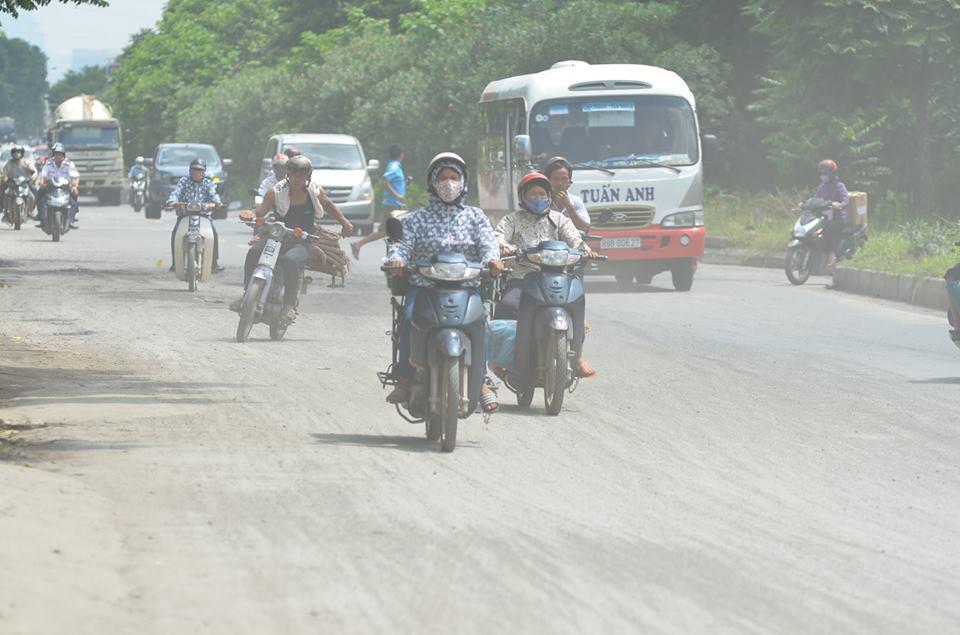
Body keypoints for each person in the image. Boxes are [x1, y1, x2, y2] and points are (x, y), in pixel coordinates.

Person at [383, 152, 503, 411]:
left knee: (479, 322)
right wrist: (396, 260)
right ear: (432, 183)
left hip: (466, 287)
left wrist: (493, 260)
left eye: (454, 177)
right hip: (425, 287)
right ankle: (404, 378)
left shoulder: (476, 217)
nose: (448, 183)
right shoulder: (416, 218)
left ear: (463, 182)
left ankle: (481, 382)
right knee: (410, 318)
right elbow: (401, 245)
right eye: (442, 178)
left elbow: (488, 244)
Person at [493, 172, 597, 378]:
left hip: (557, 277)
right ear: (523, 197)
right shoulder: (512, 219)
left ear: (549, 195)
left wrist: (585, 250)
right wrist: (504, 247)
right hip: (523, 277)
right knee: (507, 305)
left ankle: (576, 358)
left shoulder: (559, 220)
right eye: (533, 194)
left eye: (542, 193)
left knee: (577, 304)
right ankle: (499, 360)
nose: (538, 198)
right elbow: (498, 237)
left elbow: (575, 240)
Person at [234, 155, 354, 321]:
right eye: (294, 174)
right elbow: (260, 212)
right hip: (276, 237)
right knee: (254, 252)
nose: (297, 178)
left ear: (308, 176)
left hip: (301, 241)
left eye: (302, 175)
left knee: (291, 261)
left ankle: (289, 305)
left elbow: (328, 206)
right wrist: (250, 214)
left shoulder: (315, 192)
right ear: (288, 174)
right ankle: (247, 294)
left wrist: (344, 222)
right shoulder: (275, 191)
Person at [166, 158, 223, 272]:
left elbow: (214, 195)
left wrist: (218, 203)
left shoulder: (208, 183)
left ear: (204, 172)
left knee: (214, 234)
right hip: (185, 215)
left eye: (200, 170)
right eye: (195, 170)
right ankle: (175, 263)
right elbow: (176, 193)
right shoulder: (184, 181)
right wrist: (172, 201)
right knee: (175, 233)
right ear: (190, 171)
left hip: (204, 216)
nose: (197, 173)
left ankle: (214, 264)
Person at [351, 143, 405, 259]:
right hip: (392, 205)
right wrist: (397, 196)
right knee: (390, 231)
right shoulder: (395, 167)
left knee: (389, 232)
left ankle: (359, 244)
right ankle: (359, 244)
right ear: (401, 155)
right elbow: (384, 181)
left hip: (394, 204)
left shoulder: (394, 165)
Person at [814, 159, 850, 268]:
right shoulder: (822, 187)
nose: (823, 176)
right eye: (821, 173)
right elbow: (815, 198)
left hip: (837, 218)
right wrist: (805, 203)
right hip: (823, 218)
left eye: (825, 173)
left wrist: (840, 205)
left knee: (828, 232)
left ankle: (832, 255)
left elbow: (846, 200)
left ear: (832, 173)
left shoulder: (839, 186)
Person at [36, 143, 80, 229]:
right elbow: (43, 176)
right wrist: (42, 183)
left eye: (59, 154)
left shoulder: (69, 164)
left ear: (63, 154)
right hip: (50, 187)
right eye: (56, 154)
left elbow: (75, 177)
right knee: (40, 198)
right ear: (53, 154)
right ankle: (41, 218)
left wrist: (74, 186)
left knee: (74, 200)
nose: (58, 156)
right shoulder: (48, 164)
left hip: (65, 188)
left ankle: (71, 220)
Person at [543, 156, 590, 231]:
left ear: (569, 182)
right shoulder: (542, 201)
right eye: (556, 179)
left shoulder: (576, 201)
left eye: (564, 179)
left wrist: (569, 206)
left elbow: (584, 227)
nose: (560, 183)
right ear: (548, 180)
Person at [1, 145, 37, 219]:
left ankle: (30, 211)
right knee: (3, 193)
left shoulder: (26, 162)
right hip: (12, 183)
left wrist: (32, 176)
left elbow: (33, 170)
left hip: (24, 183)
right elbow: (4, 172)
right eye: (14, 152)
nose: (16, 154)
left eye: (18, 152)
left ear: (22, 153)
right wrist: (4, 177)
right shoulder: (9, 163)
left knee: (33, 196)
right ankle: (4, 209)